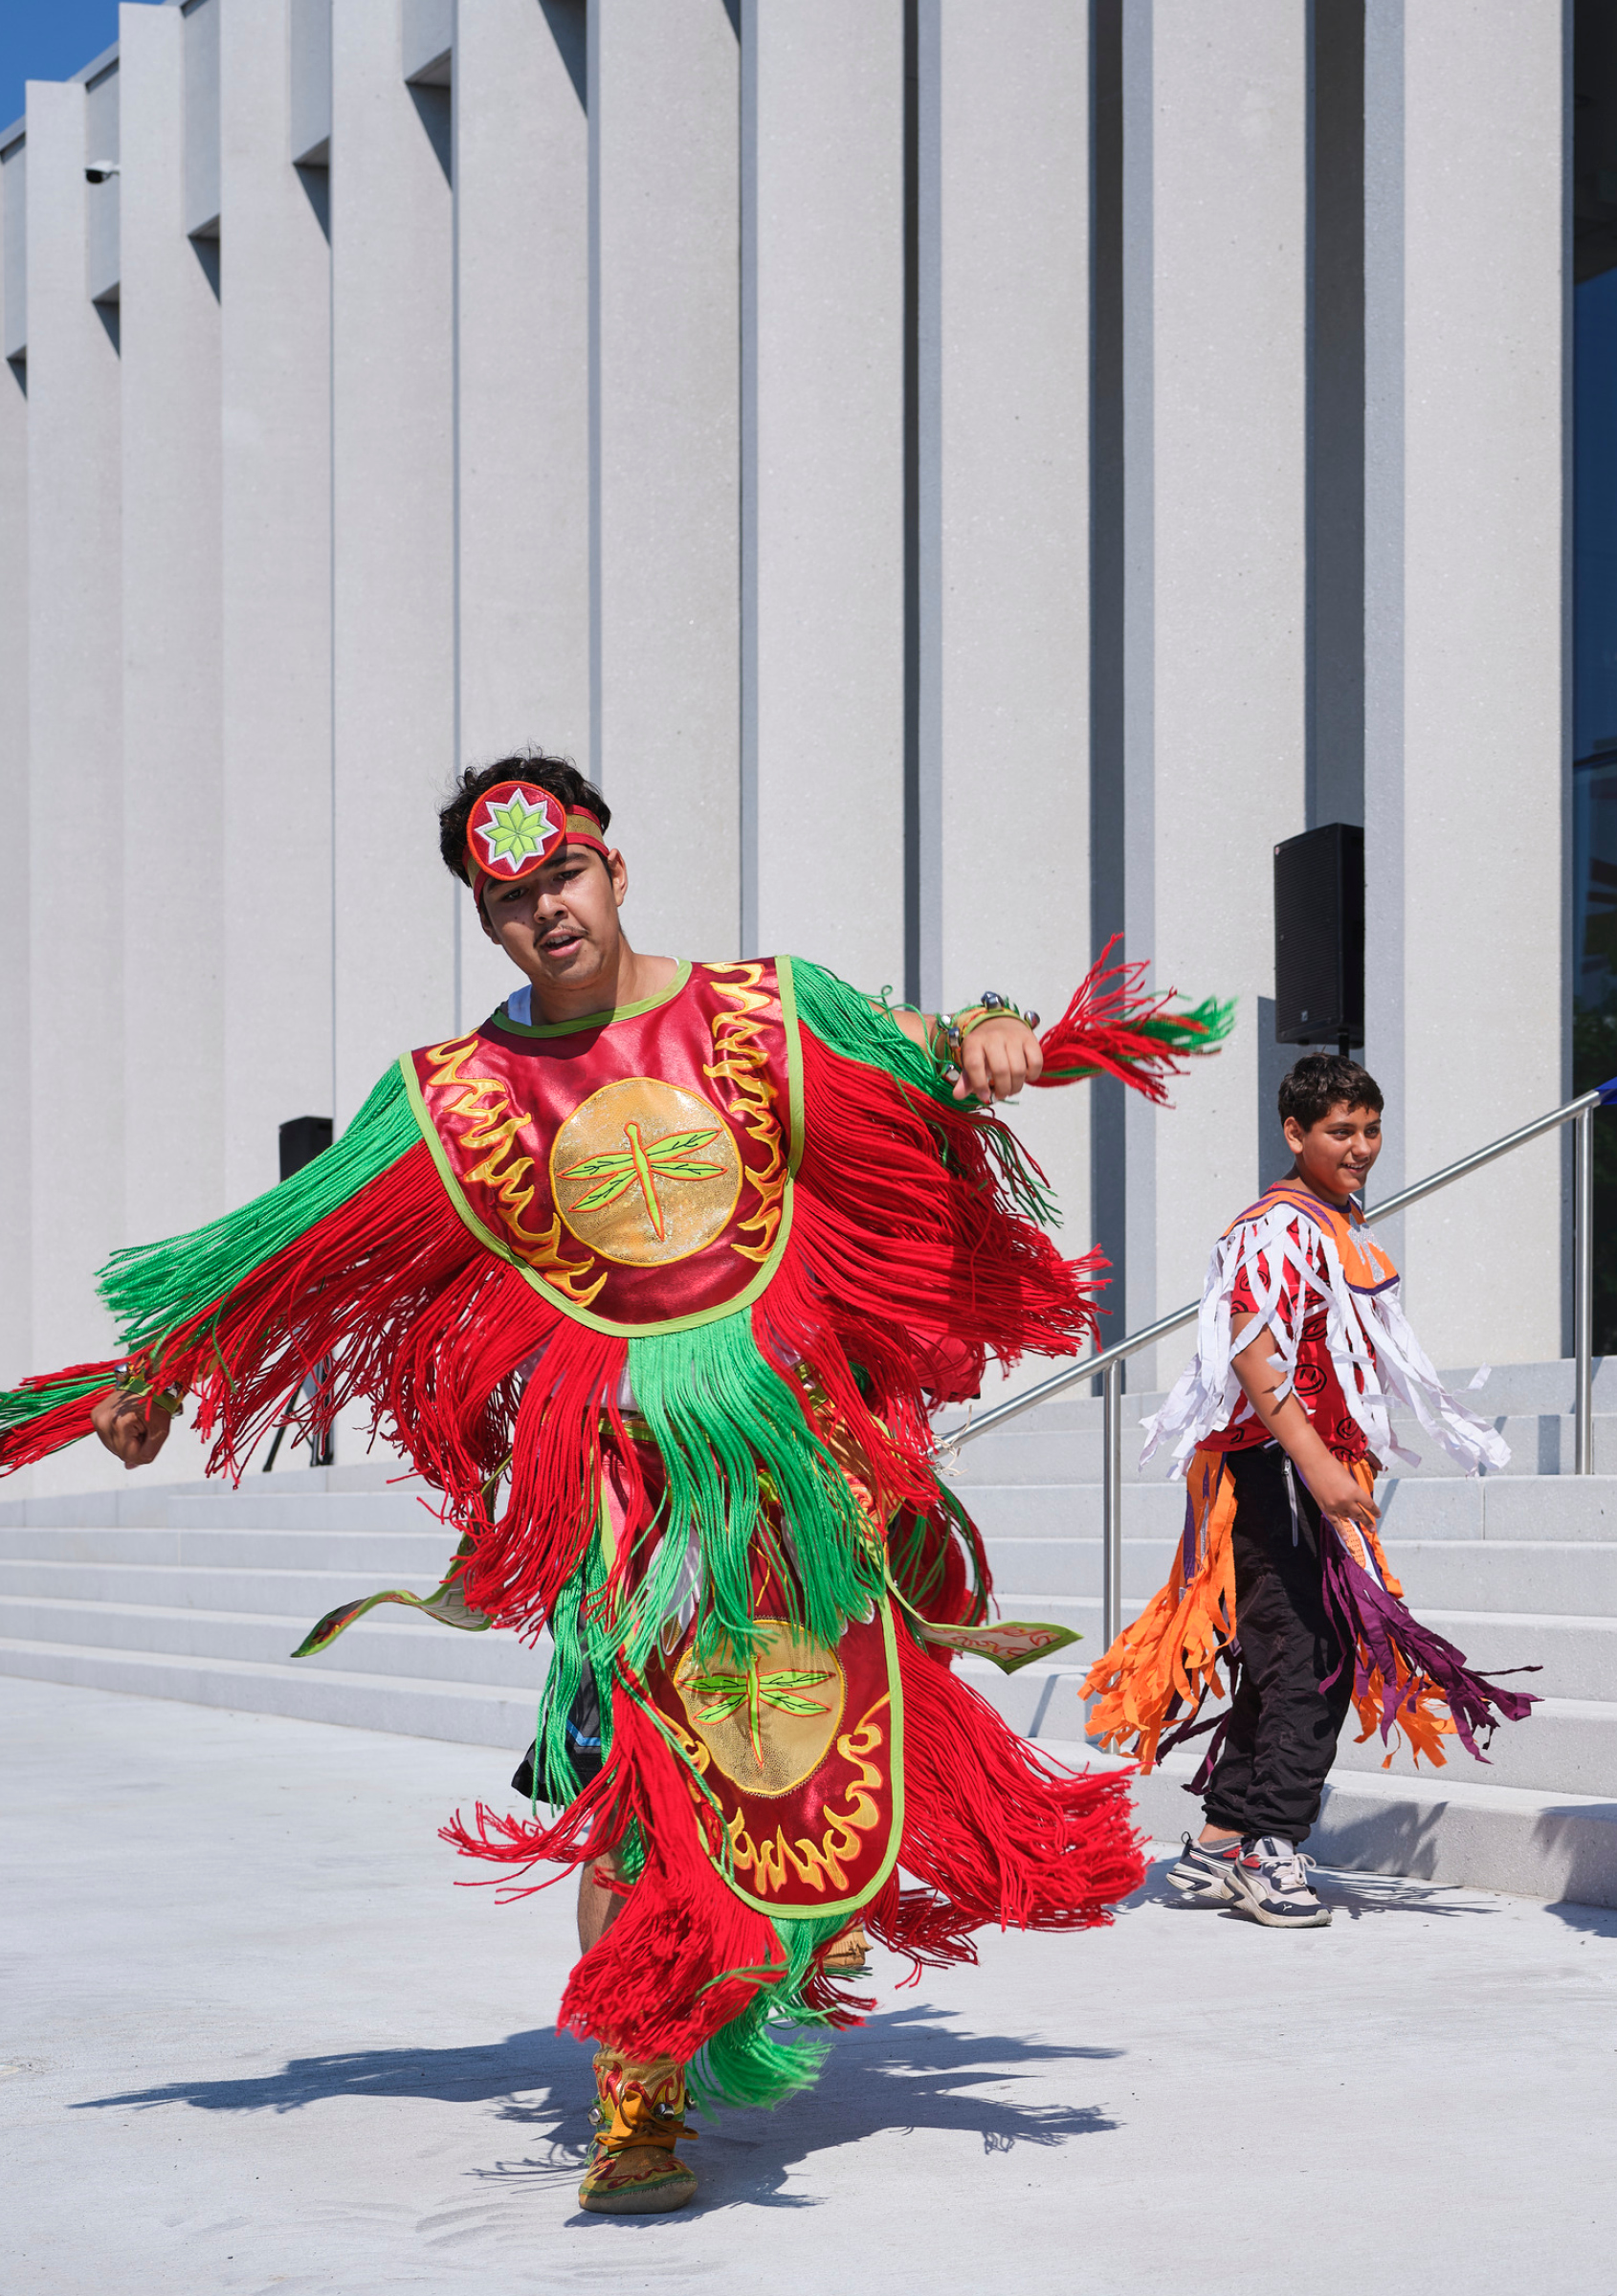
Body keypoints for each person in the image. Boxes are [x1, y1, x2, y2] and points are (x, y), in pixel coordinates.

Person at [0, 758, 1229, 2214]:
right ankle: (636, 2102)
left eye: (561, 878)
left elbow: (932, 1045)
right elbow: (295, 1252)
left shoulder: (766, 1015)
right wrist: (152, 1376)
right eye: (508, 900)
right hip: (625, 1504)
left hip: (806, 1479)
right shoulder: (455, 1103)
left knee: (829, 1740)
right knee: (634, 1787)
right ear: (485, 921)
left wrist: (991, 1028)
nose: (544, 914)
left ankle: (799, 1934)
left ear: (615, 868)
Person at [1083, 1052, 1537, 1929]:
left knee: (1293, 1655)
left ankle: (1222, 1838)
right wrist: (1318, 1467)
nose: (1361, 1147)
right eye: (1341, 1132)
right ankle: (1273, 1847)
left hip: (1308, 1469)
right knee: (1311, 1663)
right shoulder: (1277, 1225)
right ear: (1295, 1134)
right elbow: (1255, 1353)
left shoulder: (1338, 1220)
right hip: (1274, 1472)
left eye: (1370, 1131)